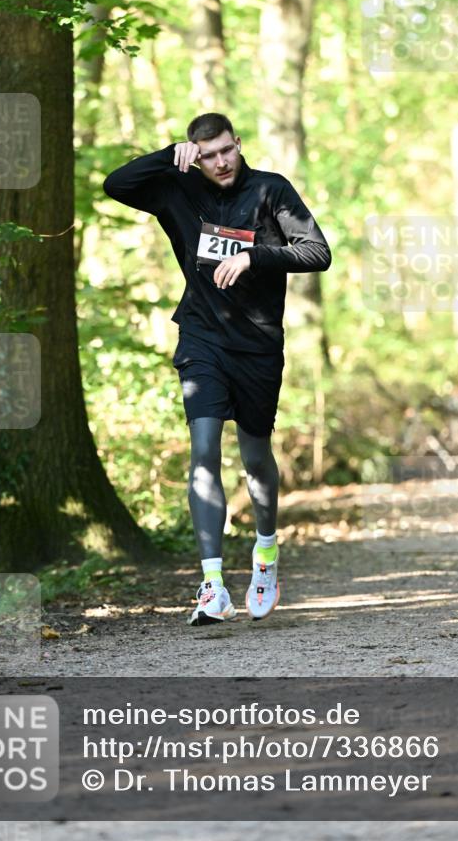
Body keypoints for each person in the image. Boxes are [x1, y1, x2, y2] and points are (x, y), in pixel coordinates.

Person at [103, 113, 331, 624]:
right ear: (195, 154)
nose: (221, 162)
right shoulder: (177, 189)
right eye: (207, 154)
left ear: (238, 143)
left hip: (257, 345)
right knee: (204, 449)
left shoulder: (271, 190)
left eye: (226, 150)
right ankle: (212, 585)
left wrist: (255, 257)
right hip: (202, 338)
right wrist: (168, 156)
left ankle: (266, 554)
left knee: (254, 456)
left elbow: (318, 252)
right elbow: (115, 184)